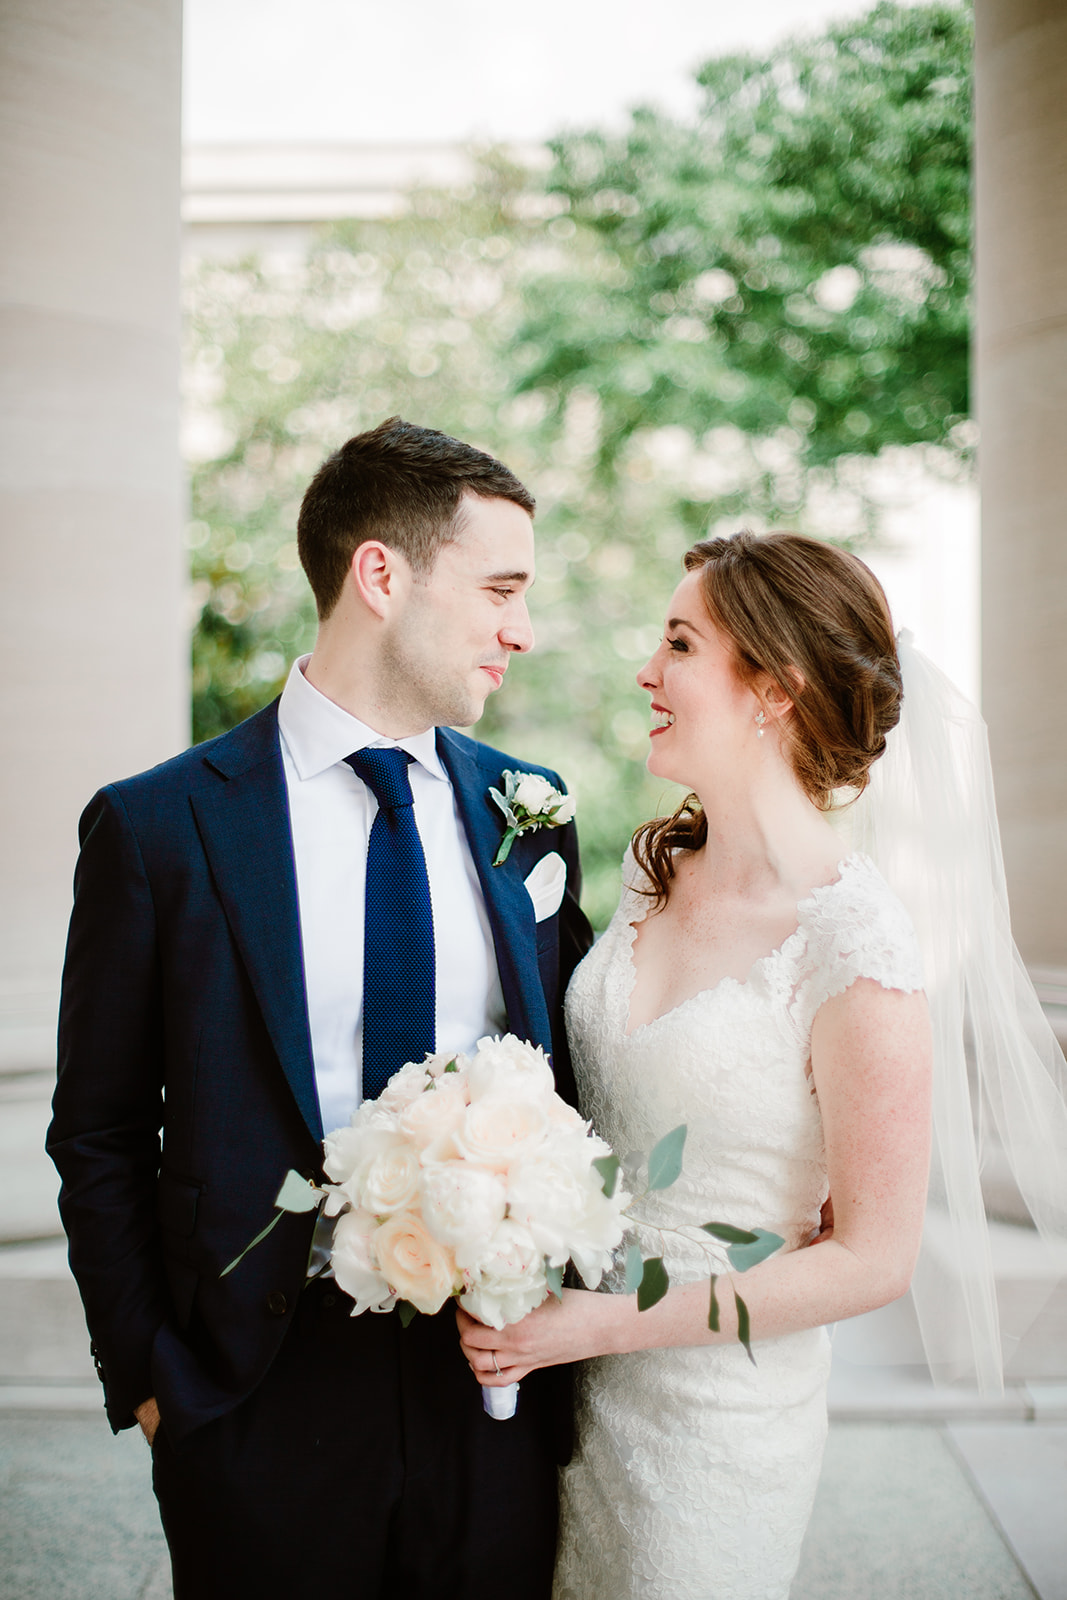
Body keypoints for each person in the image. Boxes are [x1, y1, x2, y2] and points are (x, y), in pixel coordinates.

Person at [47, 417, 592, 1600]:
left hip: (488, 1389)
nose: (522, 629)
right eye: (499, 587)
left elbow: (574, 1075)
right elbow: (94, 1129)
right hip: (253, 1393)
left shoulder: (531, 813)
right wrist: (153, 1379)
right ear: (380, 575)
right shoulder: (158, 829)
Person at [461, 530, 935, 1599]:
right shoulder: (652, 872)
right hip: (553, 1392)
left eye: (677, 642)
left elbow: (872, 1257)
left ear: (771, 688)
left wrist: (597, 1324)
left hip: (710, 1427)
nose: (645, 670)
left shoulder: (854, 946)